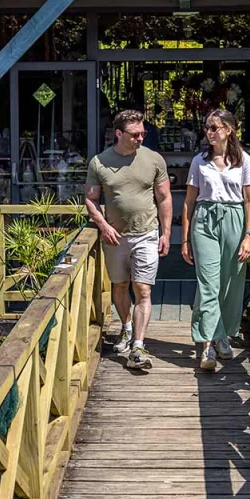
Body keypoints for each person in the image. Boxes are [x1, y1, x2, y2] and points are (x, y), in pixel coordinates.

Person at [85, 109, 172, 370]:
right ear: (119, 133)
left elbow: (164, 198)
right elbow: (91, 199)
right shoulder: (99, 162)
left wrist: (166, 233)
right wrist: (102, 224)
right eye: (135, 134)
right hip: (115, 237)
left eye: (143, 133)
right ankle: (126, 327)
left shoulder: (154, 159)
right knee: (120, 286)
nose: (140, 138)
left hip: (146, 233)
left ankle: (138, 345)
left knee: (143, 289)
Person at [181, 109, 250, 370]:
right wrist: (185, 239)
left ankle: (223, 334)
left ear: (229, 129)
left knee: (232, 282)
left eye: (214, 127)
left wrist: (249, 235)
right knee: (209, 283)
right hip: (205, 219)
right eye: (207, 128)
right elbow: (189, 202)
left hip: (234, 219)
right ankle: (207, 346)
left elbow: (249, 201)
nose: (209, 132)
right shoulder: (199, 161)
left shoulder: (243, 160)